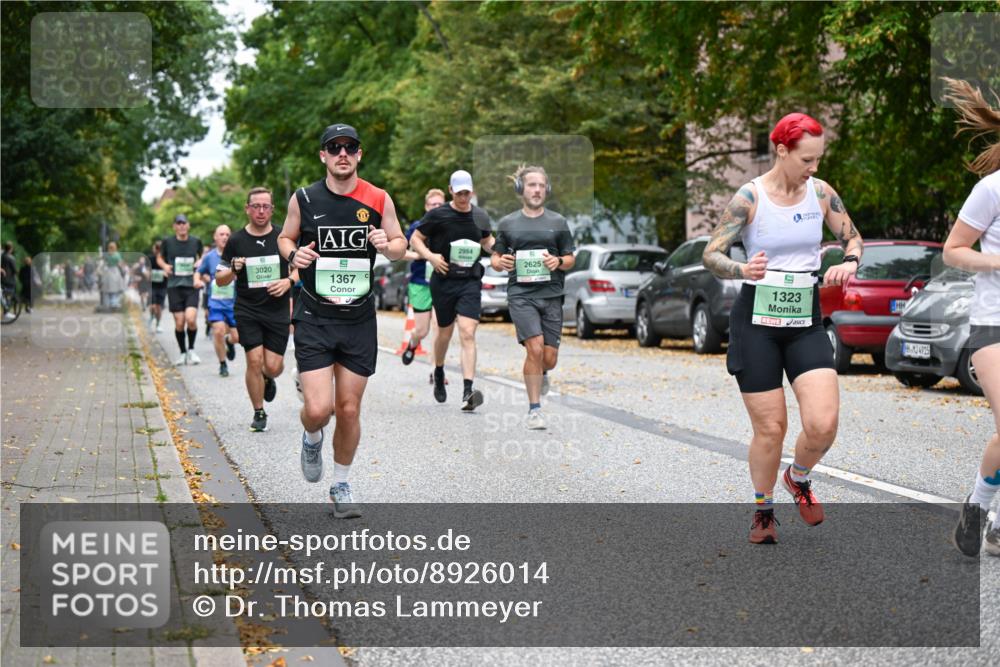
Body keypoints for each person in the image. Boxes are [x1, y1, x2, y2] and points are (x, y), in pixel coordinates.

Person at [702, 112, 864, 545]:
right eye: (807, 159)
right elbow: (711, 253)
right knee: (771, 429)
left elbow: (853, 238)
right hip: (757, 321)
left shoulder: (822, 193)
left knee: (824, 422)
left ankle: (799, 477)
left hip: (805, 319)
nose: (813, 167)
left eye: (818, 158)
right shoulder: (750, 198)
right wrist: (741, 268)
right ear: (782, 151)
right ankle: (763, 511)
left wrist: (848, 262)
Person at [278, 123, 406, 515]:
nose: (342, 154)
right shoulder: (304, 198)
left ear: (359, 154)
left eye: (350, 147)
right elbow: (286, 237)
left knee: (348, 409)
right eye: (334, 148)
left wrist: (389, 245)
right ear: (323, 155)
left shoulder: (378, 198)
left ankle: (341, 484)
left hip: (358, 318)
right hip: (315, 315)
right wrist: (292, 255)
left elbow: (400, 245)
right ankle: (312, 437)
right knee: (319, 410)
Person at [941, 79, 1000, 557]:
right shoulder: (991, 189)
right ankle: (981, 506)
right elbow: (953, 251)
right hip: (993, 322)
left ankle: (993, 517)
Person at [492, 165, 576, 429]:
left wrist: (558, 260)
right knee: (535, 347)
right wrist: (501, 262)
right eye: (531, 185)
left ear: (547, 189)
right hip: (521, 295)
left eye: (541, 185)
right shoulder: (507, 223)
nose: (537, 190)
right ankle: (534, 409)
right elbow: (495, 257)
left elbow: (571, 258)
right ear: (521, 189)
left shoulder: (558, 222)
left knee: (549, 357)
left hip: (552, 295)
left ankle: (544, 372)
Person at [410, 169, 496, 411]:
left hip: (469, 280)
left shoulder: (480, 216)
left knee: (468, 332)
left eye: (467, 192)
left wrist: (498, 249)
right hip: (444, 280)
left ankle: (468, 390)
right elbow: (415, 238)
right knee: (444, 334)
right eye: (459, 193)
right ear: (450, 191)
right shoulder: (438, 215)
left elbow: (487, 240)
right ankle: (438, 370)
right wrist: (430, 257)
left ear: (472, 191)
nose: (463, 197)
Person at [217, 188, 296, 433]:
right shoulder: (237, 241)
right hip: (248, 309)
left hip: (277, 310)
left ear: (272, 209)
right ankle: (258, 411)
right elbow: (220, 280)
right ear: (247, 208)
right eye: (256, 206)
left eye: (265, 206)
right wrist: (233, 269)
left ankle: (268, 377)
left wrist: (289, 282)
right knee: (254, 360)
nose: (261, 211)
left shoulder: (284, 237)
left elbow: (303, 266)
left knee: (272, 366)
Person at [400, 187, 446, 366]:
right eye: (433, 204)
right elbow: (400, 252)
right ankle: (412, 344)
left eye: (440, 205)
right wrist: (419, 255)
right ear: (426, 207)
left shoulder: (449, 226)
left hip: (442, 281)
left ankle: (436, 370)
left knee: (439, 326)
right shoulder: (417, 227)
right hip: (420, 283)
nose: (436, 207)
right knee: (422, 330)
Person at [158, 214, 205, 365]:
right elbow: (159, 257)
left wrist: (200, 262)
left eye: (184, 223)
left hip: (191, 285)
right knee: (179, 323)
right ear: (174, 226)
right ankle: (183, 352)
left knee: (190, 319)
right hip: (174, 286)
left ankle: (191, 350)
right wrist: (165, 266)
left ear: (188, 225)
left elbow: (203, 255)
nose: (181, 226)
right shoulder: (168, 242)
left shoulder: (196, 241)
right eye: (178, 223)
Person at [198, 225, 239, 378]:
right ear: (215, 237)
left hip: (234, 304)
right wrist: (199, 280)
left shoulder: (237, 255)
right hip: (215, 303)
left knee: (237, 337)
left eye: (227, 234)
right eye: (221, 234)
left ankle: (229, 341)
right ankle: (222, 364)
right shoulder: (209, 257)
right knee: (218, 331)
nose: (224, 237)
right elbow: (199, 272)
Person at [147, 240, 167, 332]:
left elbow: (169, 271)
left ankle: (158, 324)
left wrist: (166, 273)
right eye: (157, 248)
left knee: (159, 307)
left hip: (162, 286)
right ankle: (151, 316)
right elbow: (147, 271)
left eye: (160, 248)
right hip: (152, 285)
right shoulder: (150, 258)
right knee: (152, 306)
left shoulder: (166, 259)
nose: (158, 250)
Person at [1, 243, 16, 307]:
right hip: (9, 279)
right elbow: (14, 269)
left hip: (2, 278)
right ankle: (6, 309)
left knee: (3, 293)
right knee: (9, 294)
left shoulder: (1, 256)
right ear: (10, 249)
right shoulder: (11, 257)